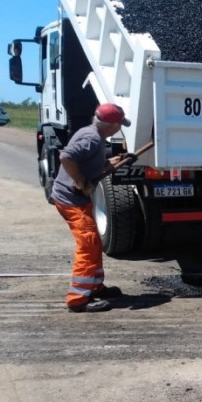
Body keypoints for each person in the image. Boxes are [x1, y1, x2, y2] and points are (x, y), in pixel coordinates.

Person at [51, 103, 131, 313]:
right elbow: (66, 157)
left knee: (94, 242)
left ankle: (94, 286)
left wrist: (115, 161)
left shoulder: (90, 133)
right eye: (119, 125)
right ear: (111, 127)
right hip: (71, 199)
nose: (120, 128)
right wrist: (80, 183)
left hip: (74, 198)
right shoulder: (92, 139)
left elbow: (90, 165)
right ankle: (78, 299)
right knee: (88, 244)